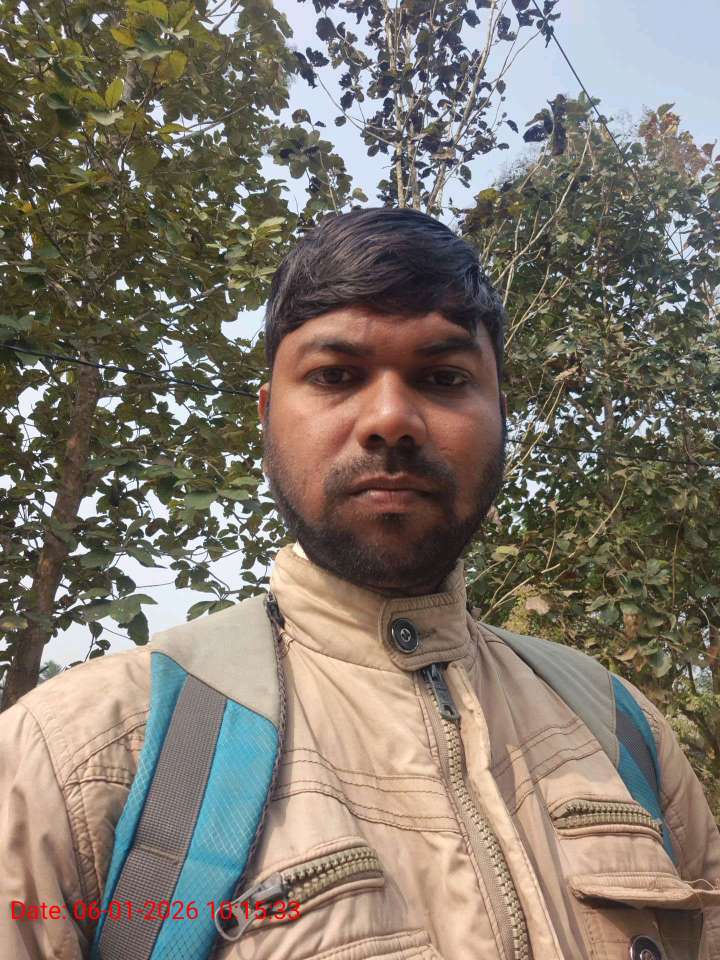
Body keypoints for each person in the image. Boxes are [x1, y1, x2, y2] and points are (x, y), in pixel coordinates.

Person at [1, 207, 718, 960]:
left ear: (502, 414)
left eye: (443, 378)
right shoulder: (80, 756)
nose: (391, 420)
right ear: (268, 417)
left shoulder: (621, 731)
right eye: (336, 376)